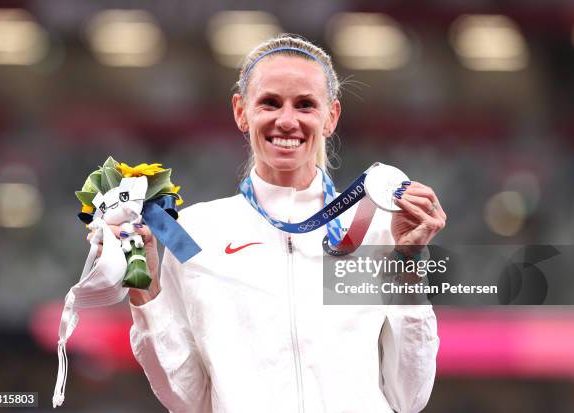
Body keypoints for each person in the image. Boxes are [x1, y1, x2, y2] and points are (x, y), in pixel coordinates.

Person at [119, 35, 446, 413]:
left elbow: (410, 397)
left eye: (306, 105)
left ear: (331, 116)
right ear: (241, 112)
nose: (287, 120)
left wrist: (408, 264)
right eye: (270, 103)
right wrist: (142, 286)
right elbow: (187, 398)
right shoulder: (191, 232)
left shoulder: (374, 227)